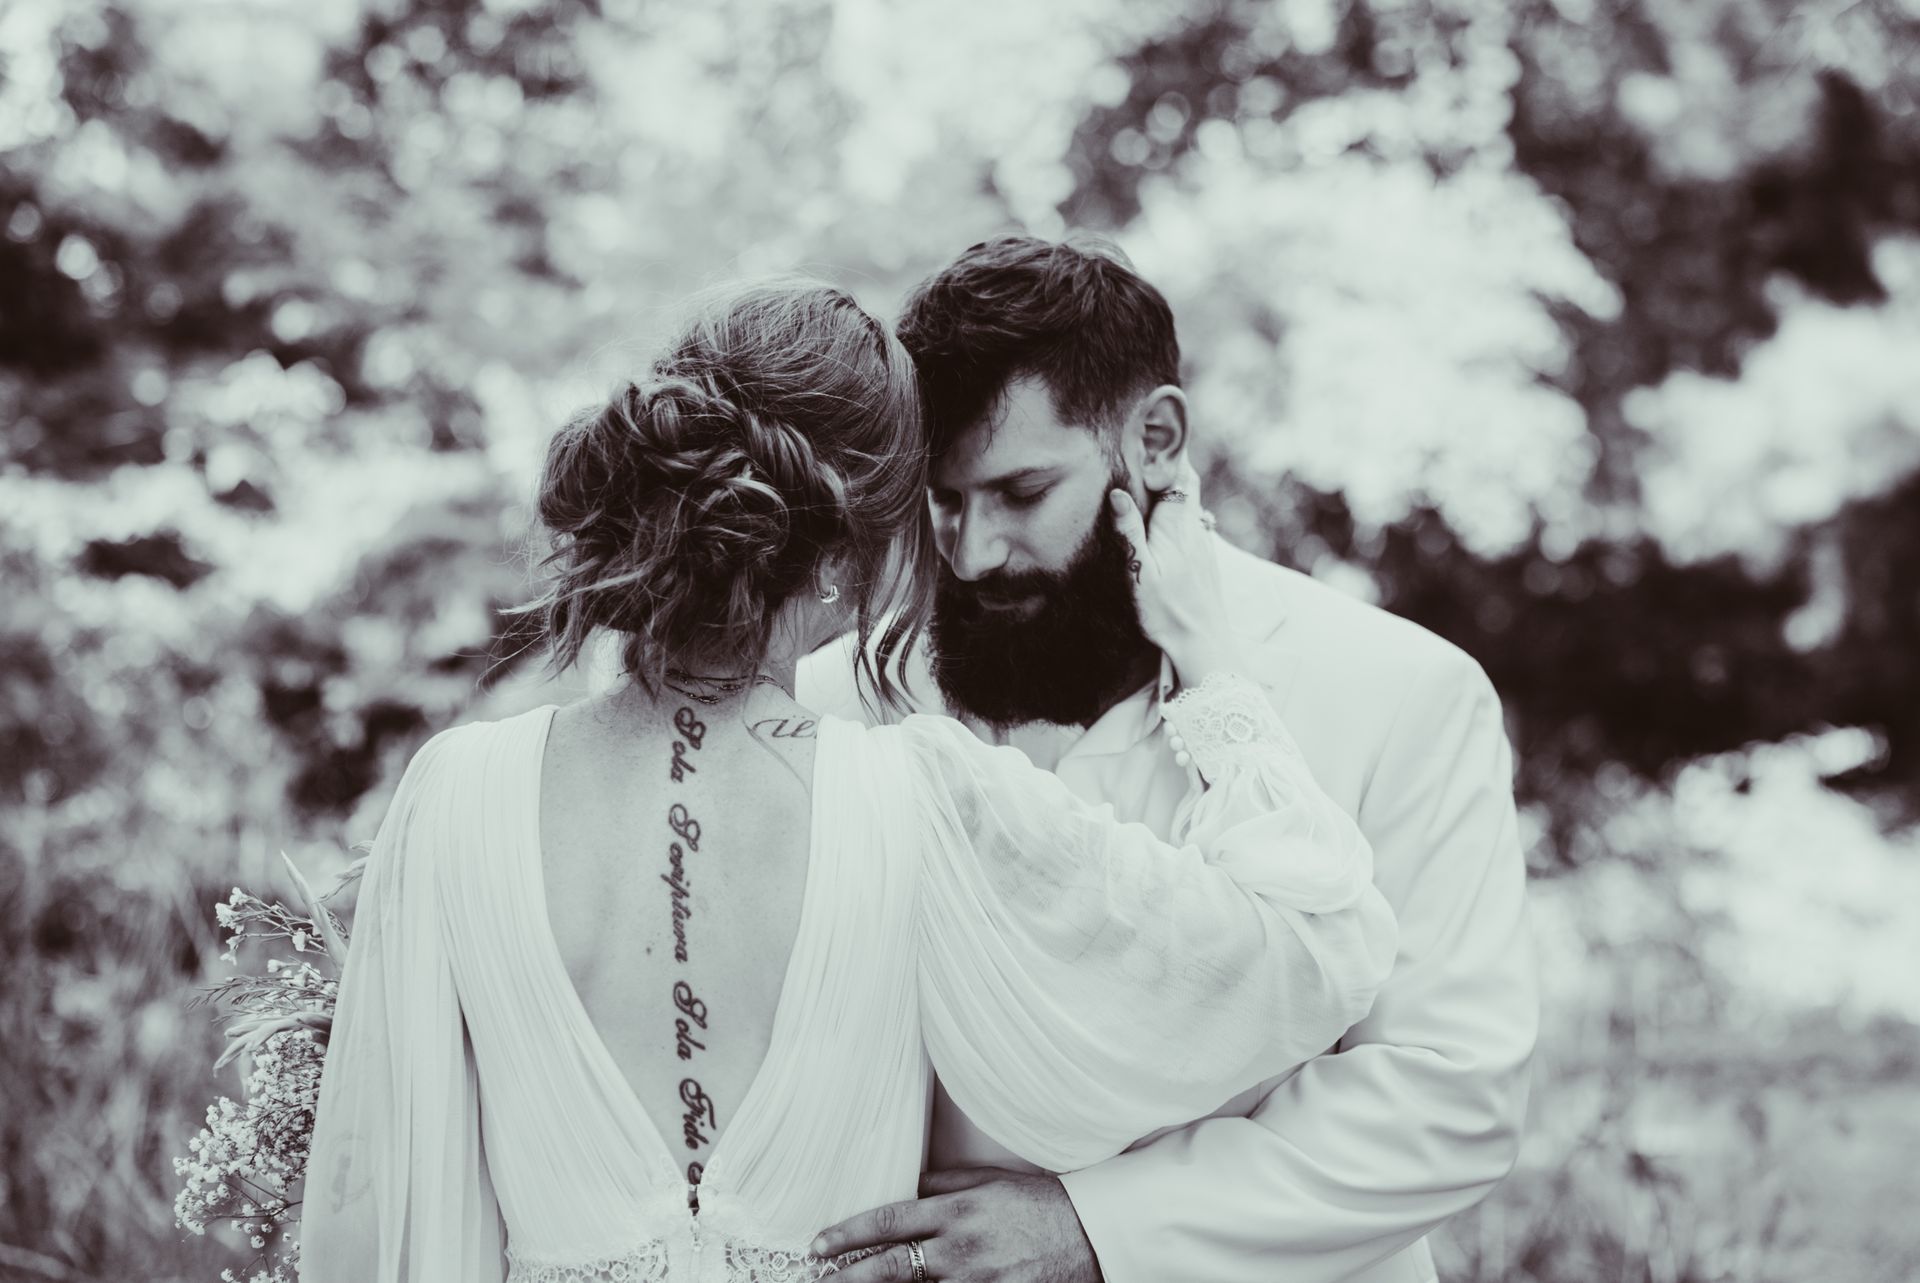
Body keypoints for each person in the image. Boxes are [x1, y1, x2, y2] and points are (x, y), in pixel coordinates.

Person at [297, 280, 1397, 1283]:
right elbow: (1313, 946)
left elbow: (370, 1215)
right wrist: (1212, 666)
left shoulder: (454, 792)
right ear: (847, 556)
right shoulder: (923, 799)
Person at [800, 238, 1539, 1283]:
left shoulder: (1401, 690)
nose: (972, 553)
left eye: (1021, 492)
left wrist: (1097, 1229)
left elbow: (1447, 1095)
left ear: (1154, 438)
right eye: (945, 502)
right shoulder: (836, 699)